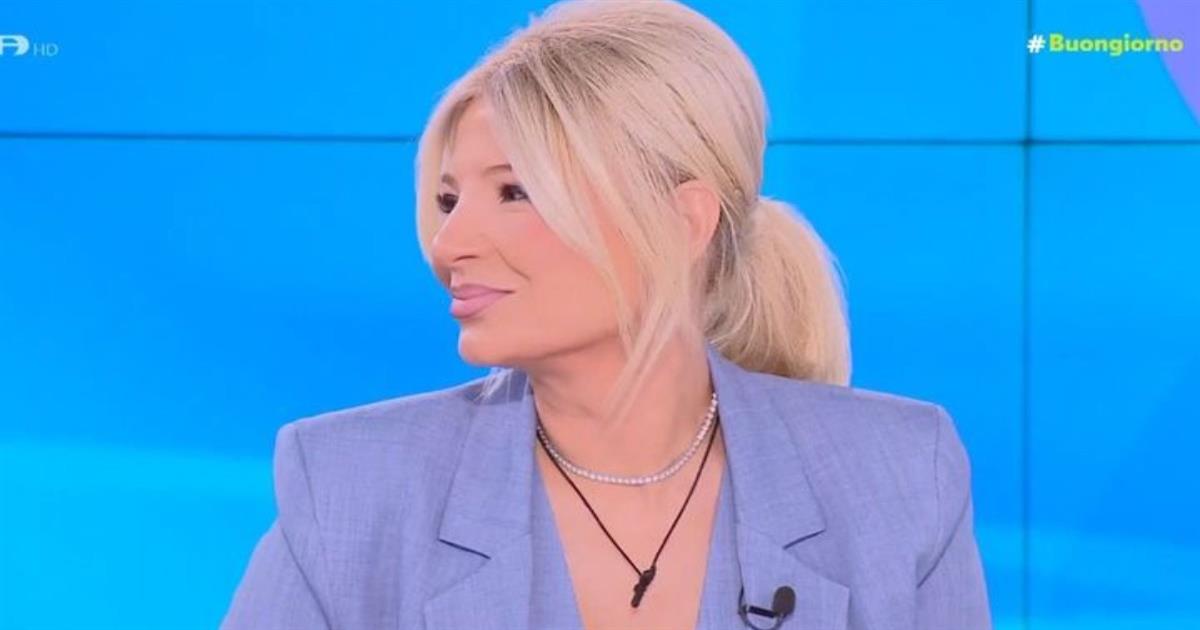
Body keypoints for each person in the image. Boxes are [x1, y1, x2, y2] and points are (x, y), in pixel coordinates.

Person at [220, 1, 992, 628]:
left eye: (514, 191)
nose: (448, 243)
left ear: (683, 222)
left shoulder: (901, 479)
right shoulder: (348, 488)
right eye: (449, 199)